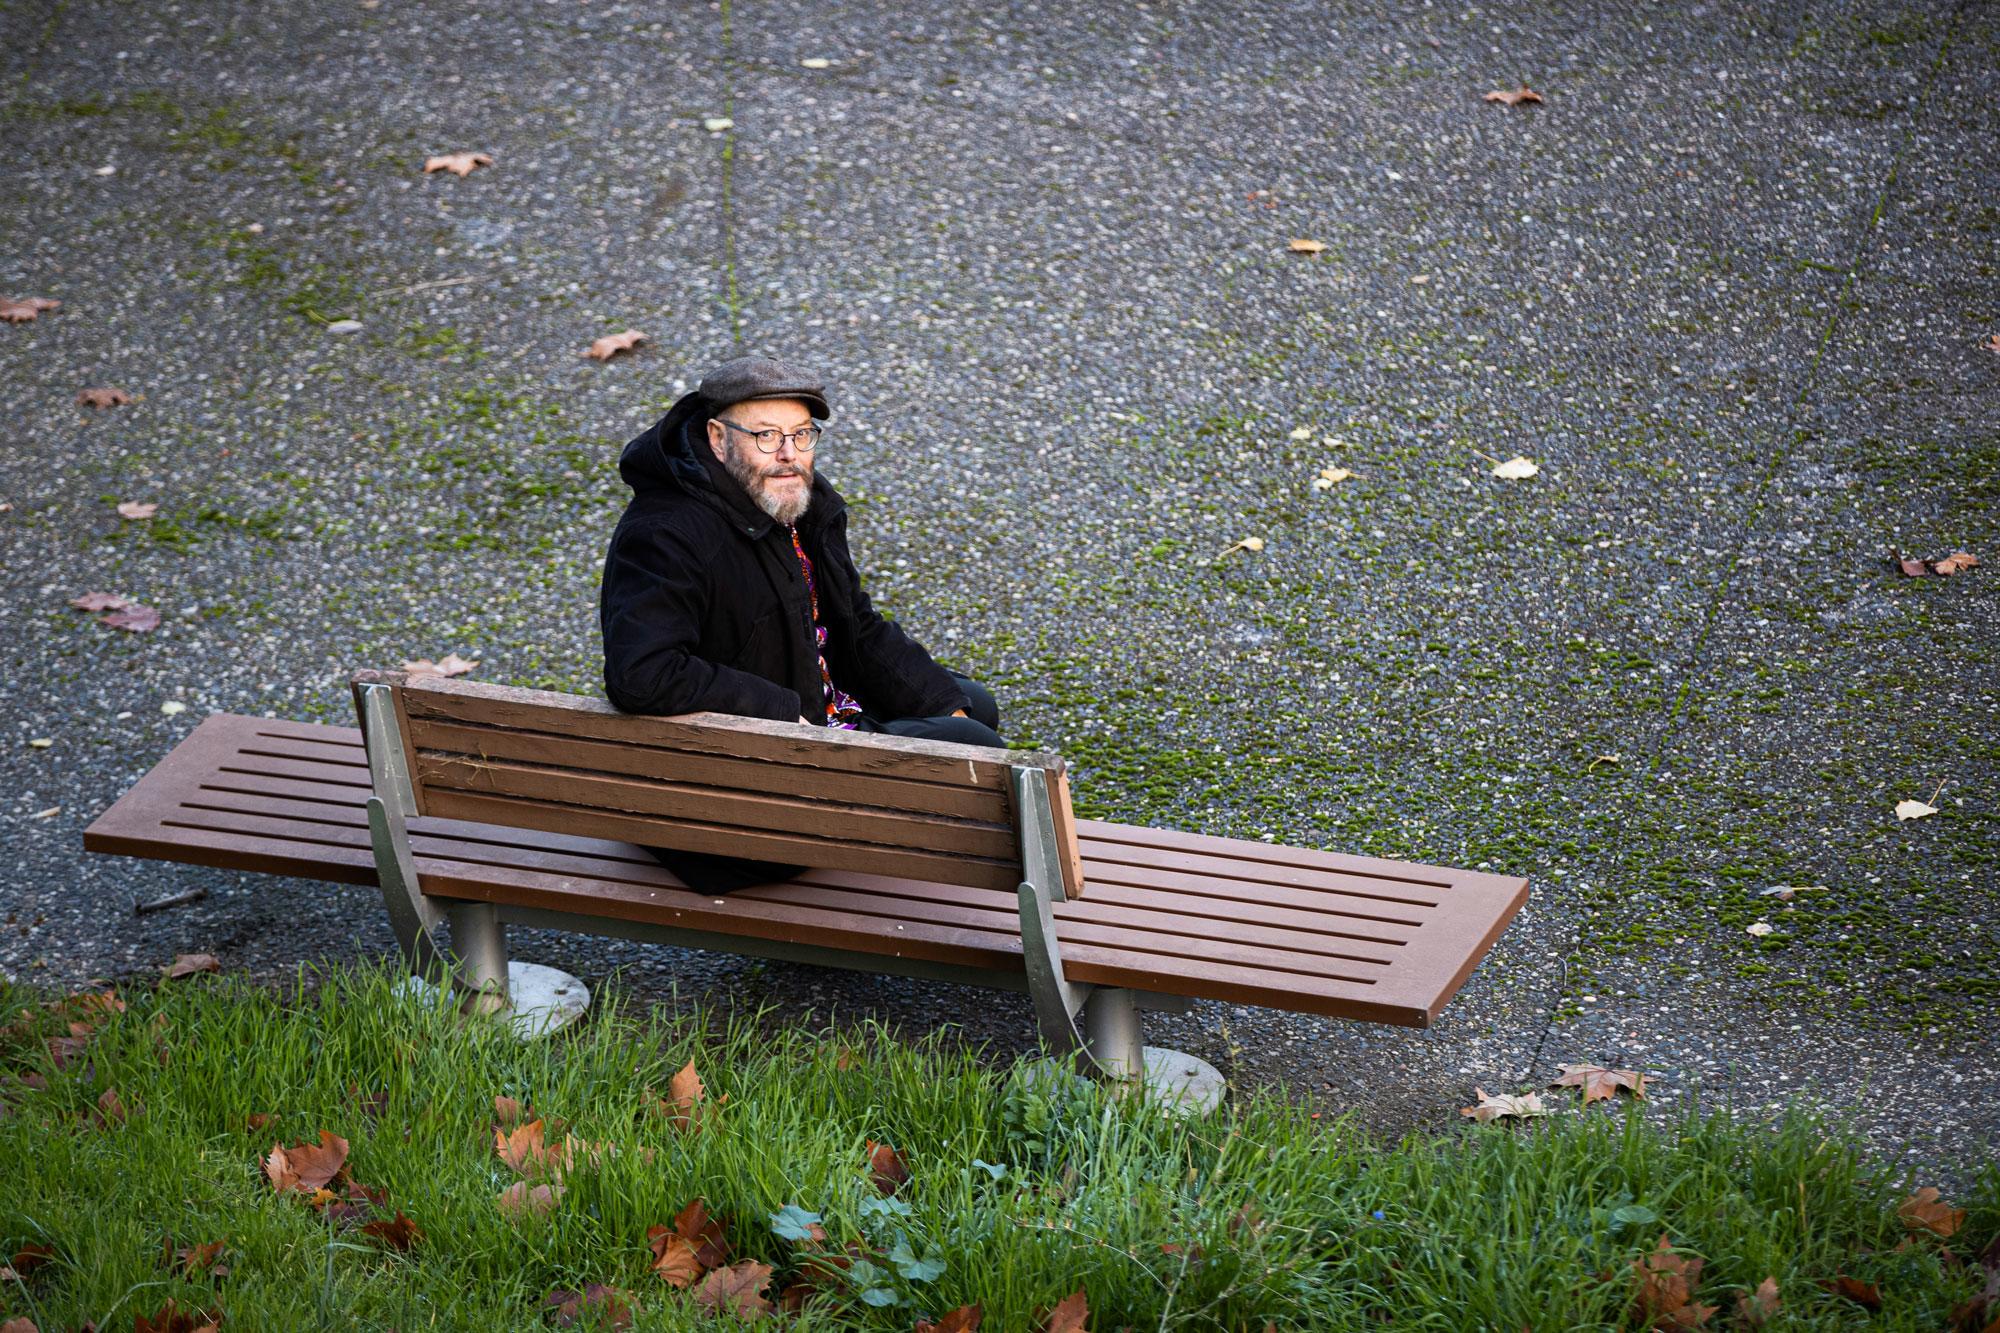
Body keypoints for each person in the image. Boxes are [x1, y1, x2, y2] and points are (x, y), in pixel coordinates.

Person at [599, 354, 1003, 891]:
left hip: (803, 719)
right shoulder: (666, 533)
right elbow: (642, 673)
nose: (788, 455)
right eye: (765, 436)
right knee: (973, 745)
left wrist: (933, 699)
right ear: (718, 439)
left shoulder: (793, 503)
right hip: (743, 798)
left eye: (802, 435)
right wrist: (785, 713)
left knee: (969, 705)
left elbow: (853, 626)